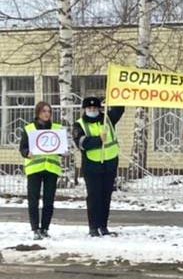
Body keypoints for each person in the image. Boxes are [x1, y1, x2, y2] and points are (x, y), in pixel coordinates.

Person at [72, 96, 125, 237]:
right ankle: (93, 227)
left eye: (95, 108)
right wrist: (98, 140)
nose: (92, 110)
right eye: (89, 108)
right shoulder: (79, 124)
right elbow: (81, 143)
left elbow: (120, 109)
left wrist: (115, 95)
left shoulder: (108, 119)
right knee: (94, 197)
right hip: (92, 165)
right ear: (85, 109)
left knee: (106, 196)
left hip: (110, 163)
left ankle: (103, 226)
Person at [19, 101, 62, 240]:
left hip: (51, 168)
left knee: (49, 201)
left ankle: (45, 228)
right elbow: (23, 148)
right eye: (44, 111)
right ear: (38, 112)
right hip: (35, 169)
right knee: (33, 200)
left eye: (49, 111)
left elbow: (60, 148)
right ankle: (35, 229)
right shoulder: (29, 129)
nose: (47, 114)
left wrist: (64, 151)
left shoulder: (56, 128)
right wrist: (27, 153)